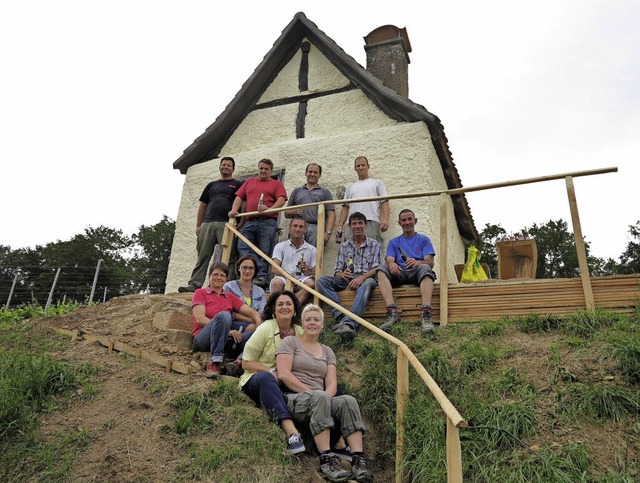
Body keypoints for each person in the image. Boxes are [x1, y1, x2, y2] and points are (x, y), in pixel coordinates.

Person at [276, 304, 373, 482]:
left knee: (347, 400)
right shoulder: (290, 342)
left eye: (316, 319)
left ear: (322, 324)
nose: (312, 323)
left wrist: (325, 397)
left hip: (320, 399)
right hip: (295, 398)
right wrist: (314, 394)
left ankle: (358, 459)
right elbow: (284, 374)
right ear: (302, 323)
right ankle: (326, 459)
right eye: (308, 319)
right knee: (320, 396)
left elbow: (332, 382)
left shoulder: (328, 351)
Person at [239, 291, 306, 455]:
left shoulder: (300, 332)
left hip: (286, 382)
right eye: (280, 304)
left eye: (288, 304)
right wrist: (271, 371)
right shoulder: (265, 328)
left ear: (295, 309)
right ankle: (292, 433)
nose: (285, 307)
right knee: (266, 378)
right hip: (256, 379)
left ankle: (338, 444)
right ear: (274, 310)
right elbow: (246, 362)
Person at [179, 156, 243, 293]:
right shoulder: (211, 185)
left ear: (233, 169)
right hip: (207, 223)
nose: (226, 167)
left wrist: (241, 223)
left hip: (226, 224)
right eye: (223, 165)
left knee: (229, 256)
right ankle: (195, 284)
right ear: (220, 167)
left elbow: (242, 204)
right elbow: (203, 205)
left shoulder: (237, 184)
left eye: (228, 165)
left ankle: (228, 286)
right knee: (203, 255)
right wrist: (198, 225)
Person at [315, 212, 381, 341]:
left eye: (360, 223)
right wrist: (342, 274)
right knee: (321, 281)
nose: (357, 226)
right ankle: (341, 316)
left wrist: (361, 278)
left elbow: (376, 268)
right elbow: (336, 271)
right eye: (354, 224)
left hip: (367, 278)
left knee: (367, 284)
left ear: (365, 225)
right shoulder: (344, 246)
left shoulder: (374, 244)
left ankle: (349, 323)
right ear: (350, 226)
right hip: (347, 280)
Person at [191, 262, 262, 378]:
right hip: (203, 338)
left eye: (222, 275)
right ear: (209, 276)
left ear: (226, 279)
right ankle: (215, 362)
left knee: (257, 332)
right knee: (224, 315)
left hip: (224, 340)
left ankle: (237, 363)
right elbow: (200, 319)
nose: (219, 278)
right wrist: (228, 332)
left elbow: (250, 312)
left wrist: (259, 323)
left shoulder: (229, 297)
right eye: (215, 274)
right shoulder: (200, 293)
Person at [228, 158, 287, 286]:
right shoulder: (250, 181)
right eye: (261, 168)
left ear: (271, 171)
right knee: (243, 245)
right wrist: (233, 210)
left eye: (266, 169)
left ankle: (262, 277)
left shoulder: (276, 184)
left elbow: (281, 199)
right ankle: (258, 270)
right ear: (258, 169)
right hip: (249, 220)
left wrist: (270, 209)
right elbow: (239, 197)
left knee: (264, 250)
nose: (263, 171)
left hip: (267, 221)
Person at [377, 209, 437, 334]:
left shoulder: (423, 240)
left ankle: (426, 314)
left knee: (426, 268)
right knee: (381, 269)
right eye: (404, 220)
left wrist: (418, 262)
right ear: (399, 223)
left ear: (415, 221)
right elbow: (389, 258)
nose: (407, 222)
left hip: (417, 273)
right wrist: (392, 263)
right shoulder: (394, 242)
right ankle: (392, 312)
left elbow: (430, 263)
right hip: (400, 274)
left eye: (410, 219)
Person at [222, 254, 267, 376]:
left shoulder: (260, 291)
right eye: (244, 267)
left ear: (255, 270)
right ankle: (241, 361)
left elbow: (262, 314)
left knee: (262, 328)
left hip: (255, 325)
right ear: (238, 269)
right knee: (259, 330)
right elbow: (230, 313)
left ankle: (239, 361)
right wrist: (254, 320)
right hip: (234, 325)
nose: (247, 271)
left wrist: (258, 321)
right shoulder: (229, 286)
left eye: (251, 268)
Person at [337, 156, 389, 247]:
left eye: (363, 165)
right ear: (355, 168)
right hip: (351, 224)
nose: (361, 167)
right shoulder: (350, 186)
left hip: (371, 221)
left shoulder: (377, 183)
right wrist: (340, 225)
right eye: (358, 166)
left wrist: (385, 219)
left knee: (371, 250)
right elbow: (345, 207)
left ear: (368, 166)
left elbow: (384, 201)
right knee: (349, 251)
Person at [270, 216, 317, 305]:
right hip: (284, 277)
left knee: (311, 283)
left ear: (305, 230)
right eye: (295, 226)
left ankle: (293, 306)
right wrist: (289, 277)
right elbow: (274, 268)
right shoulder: (280, 246)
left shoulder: (312, 249)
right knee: (276, 283)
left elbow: (316, 272)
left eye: (301, 227)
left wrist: (308, 271)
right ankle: (274, 310)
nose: (297, 229)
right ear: (290, 228)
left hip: (302, 278)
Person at [285, 163, 336, 245]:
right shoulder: (297, 191)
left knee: (312, 256)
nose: (312, 174)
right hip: (298, 227)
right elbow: (286, 213)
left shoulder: (325, 192)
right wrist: (294, 211)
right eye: (310, 172)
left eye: (315, 172)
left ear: (319, 175)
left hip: (316, 229)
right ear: (306, 173)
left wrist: (328, 233)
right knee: (294, 254)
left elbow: (331, 214)